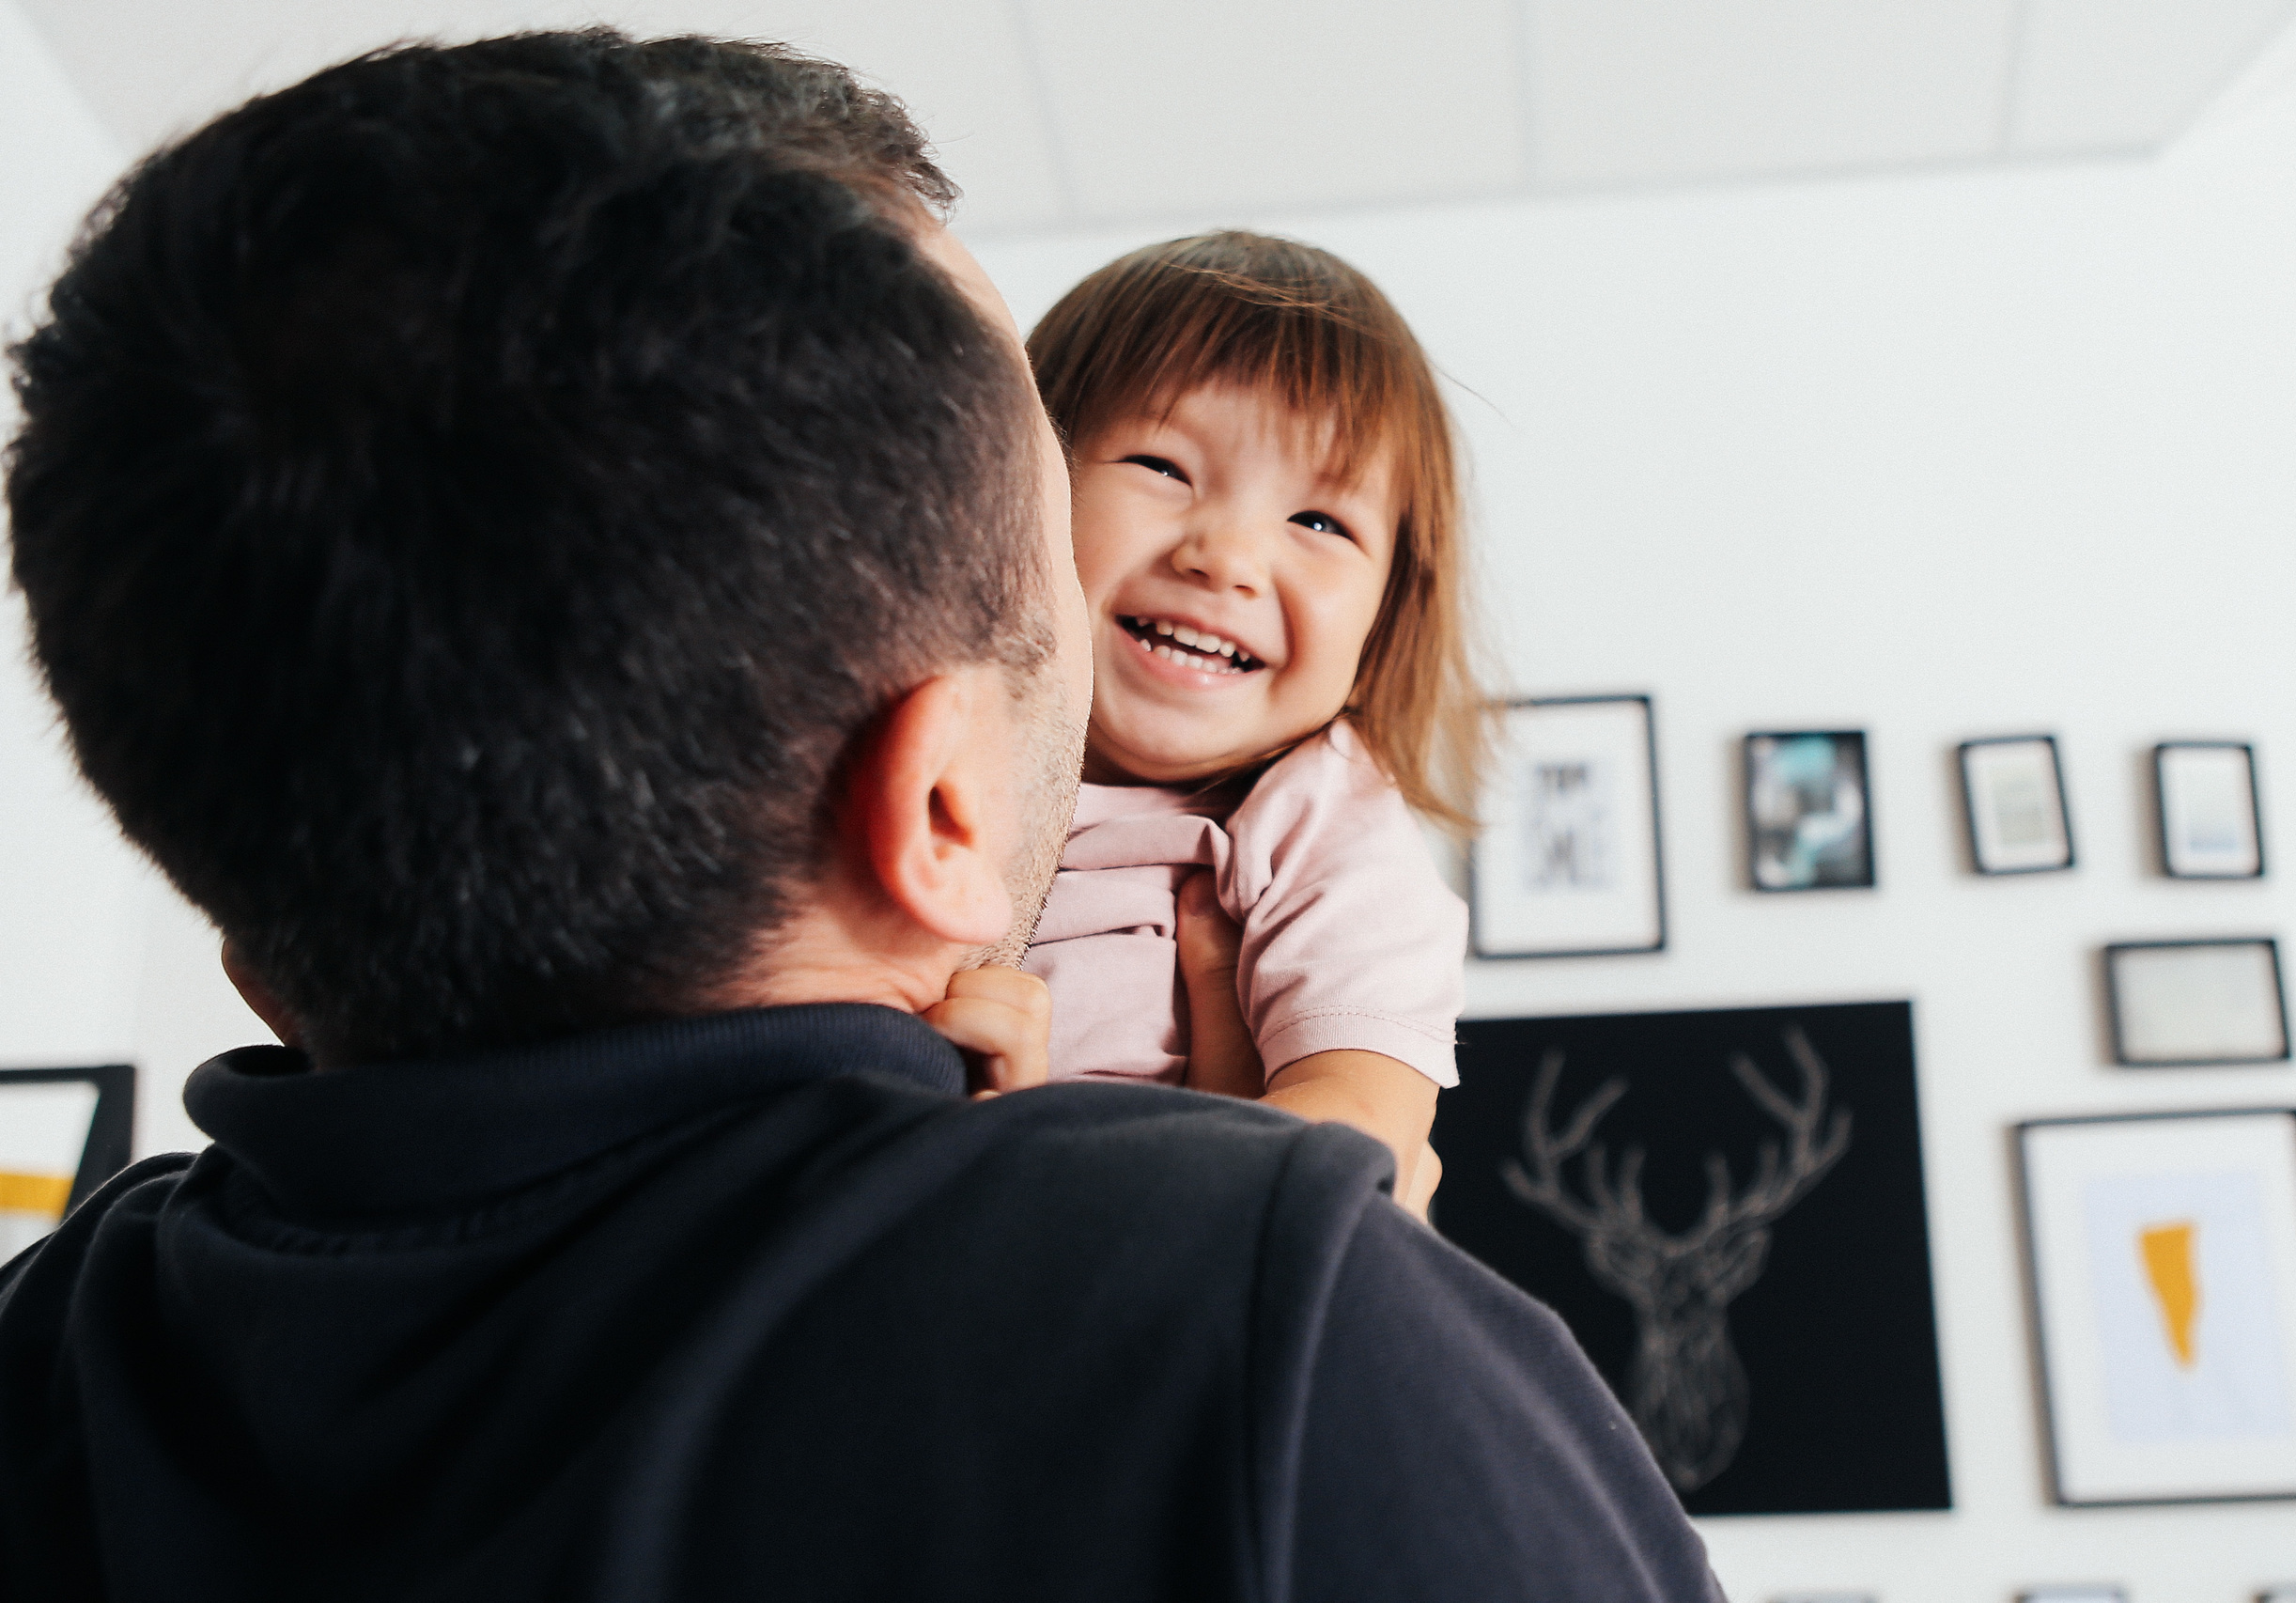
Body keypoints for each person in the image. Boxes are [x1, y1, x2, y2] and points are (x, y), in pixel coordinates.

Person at [0, 29, 1721, 1603]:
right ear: (945, 805)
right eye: (1103, 496)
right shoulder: (1277, 1343)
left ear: (253, 944)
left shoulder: (55, 1351)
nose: (1221, 557)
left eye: (1323, 526)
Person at [1016, 234, 1482, 1217]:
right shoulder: (938, 753)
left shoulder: (1320, 814)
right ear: (1017, 487)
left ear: (1387, 613)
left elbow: (1358, 1136)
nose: (1225, 556)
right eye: (1163, 464)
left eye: (1319, 521)